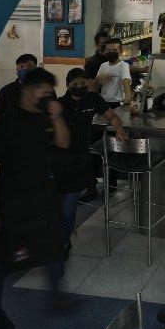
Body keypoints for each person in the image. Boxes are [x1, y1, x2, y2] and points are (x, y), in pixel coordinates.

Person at [0, 68, 70, 329]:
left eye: (48, 94)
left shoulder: (46, 118)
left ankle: (57, 298)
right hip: (13, 202)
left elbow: (64, 143)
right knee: (5, 260)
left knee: (55, 250)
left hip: (43, 199)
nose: (43, 98)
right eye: (39, 93)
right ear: (26, 91)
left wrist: (56, 118)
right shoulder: (6, 125)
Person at [57, 67, 126, 226]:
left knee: (72, 199)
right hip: (62, 155)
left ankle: (66, 233)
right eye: (75, 84)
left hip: (82, 152)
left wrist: (119, 128)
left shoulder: (93, 99)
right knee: (63, 199)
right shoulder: (60, 103)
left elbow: (112, 116)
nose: (80, 87)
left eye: (83, 83)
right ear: (67, 85)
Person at [0, 53, 38, 119]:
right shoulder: (6, 91)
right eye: (21, 67)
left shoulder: (45, 91)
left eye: (29, 67)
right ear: (17, 69)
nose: (25, 69)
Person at [95, 39, 133, 109]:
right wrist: (99, 79)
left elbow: (126, 82)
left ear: (120, 52)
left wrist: (128, 98)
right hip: (104, 102)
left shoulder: (124, 65)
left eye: (115, 50)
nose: (111, 52)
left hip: (118, 102)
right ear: (105, 52)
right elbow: (96, 85)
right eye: (108, 50)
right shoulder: (103, 66)